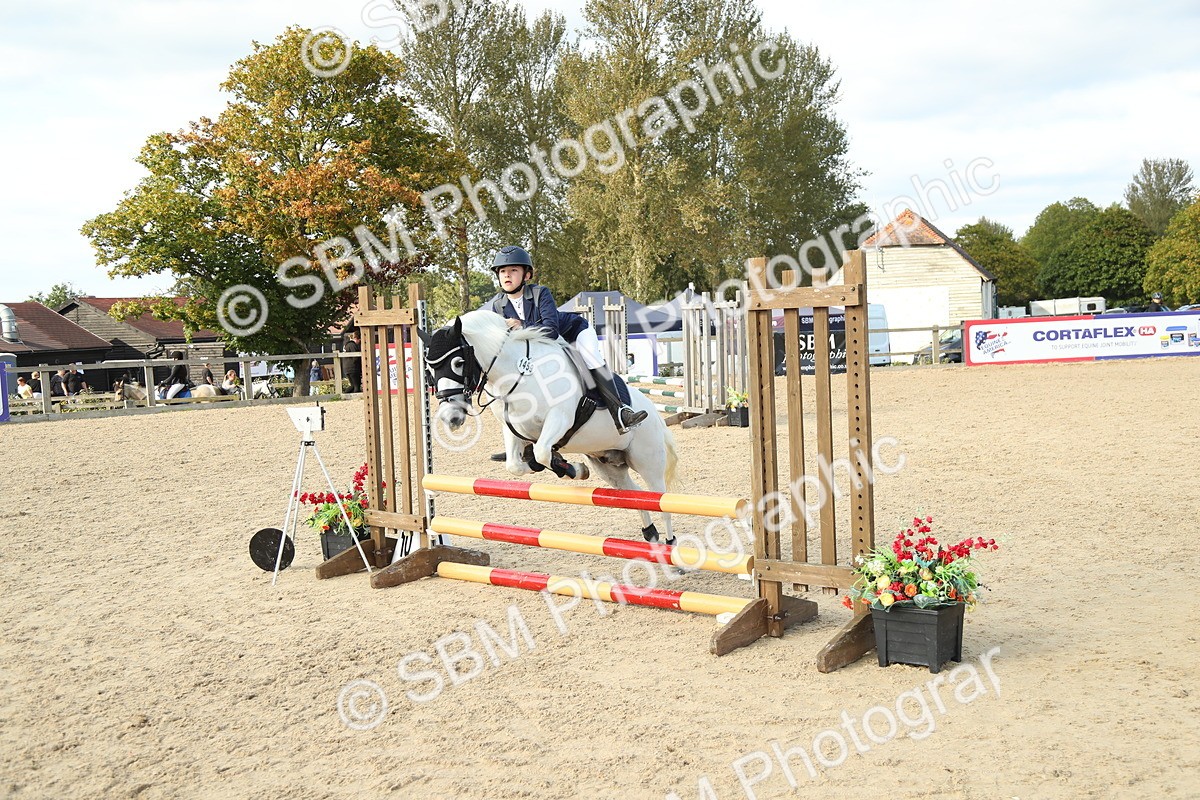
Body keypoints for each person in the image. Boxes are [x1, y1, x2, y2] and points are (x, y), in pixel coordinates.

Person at [482, 245, 647, 433]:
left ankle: (621, 412)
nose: (507, 275)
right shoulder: (498, 305)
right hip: (540, 347)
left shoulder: (540, 293)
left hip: (573, 333)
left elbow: (551, 330)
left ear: (526, 275)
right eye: (502, 271)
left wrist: (521, 326)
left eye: (513, 270)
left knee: (591, 357)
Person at [343, 328, 362, 393]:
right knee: (356, 385)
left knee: (353, 385)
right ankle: (347, 394)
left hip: (348, 368)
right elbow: (355, 357)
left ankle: (346, 394)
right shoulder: (352, 345)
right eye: (359, 340)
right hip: (353, 368)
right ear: (357, 339)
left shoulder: (347, 345)